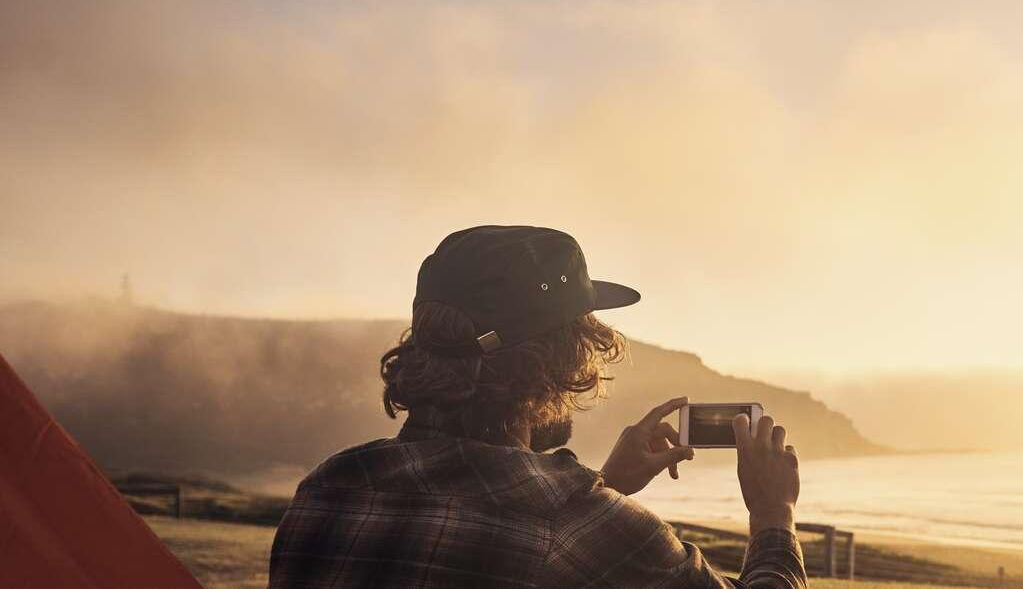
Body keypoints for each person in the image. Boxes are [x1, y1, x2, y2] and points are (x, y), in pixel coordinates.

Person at [268, 225, 803, 588]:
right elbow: (543, 536)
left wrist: (606, 486)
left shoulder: (328, 489)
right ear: (560, 361)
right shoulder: (575, 520)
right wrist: (773, 511)